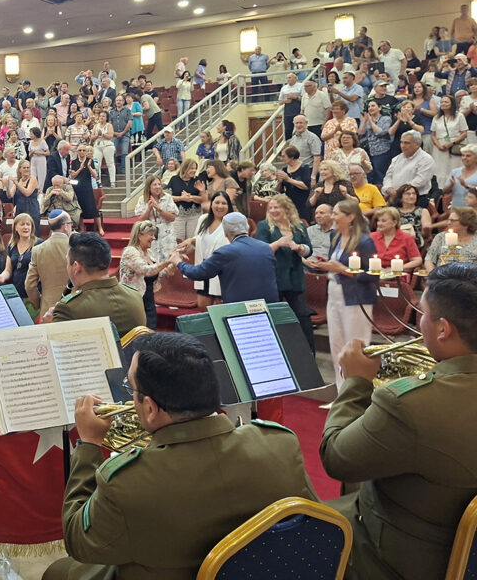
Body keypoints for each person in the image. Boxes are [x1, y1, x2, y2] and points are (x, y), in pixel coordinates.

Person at [45, 332, 316, 580]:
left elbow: (78, 541)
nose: (131, 398)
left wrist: (90, 444)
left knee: (58, 572)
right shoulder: (281, 443)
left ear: (150, 408)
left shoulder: (126, 482)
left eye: (132, 389)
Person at [321, 262, 477, 580]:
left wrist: (356, 382)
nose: (420, 323)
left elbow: (336, 457)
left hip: (399, 558)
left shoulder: (409, 405)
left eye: (423, 314)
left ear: (444, 329)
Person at [313, 199, 378, 390]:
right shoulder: (335, 236)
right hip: (334, 293)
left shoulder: (364, 242)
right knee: (336, 344)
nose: (332, 217)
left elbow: (373, 275)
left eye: (336, 213)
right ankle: (341, 390)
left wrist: (343, 269)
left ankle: (358, 390)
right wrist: (327, 265)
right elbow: (336, 265)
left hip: (356, 297)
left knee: (355, 345)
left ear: (350, 217)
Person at [170, 213, 279, 304]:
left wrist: (178, 262)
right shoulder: (266, 248)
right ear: (247, 228)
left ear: (225, 233)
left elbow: (197, 273)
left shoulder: (224, 253)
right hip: (269, 309)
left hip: (239, 310)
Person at [50, 232, 146, 334]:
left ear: (76, 267)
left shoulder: (68, 308)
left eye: (67, 262)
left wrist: (48, 326)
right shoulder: (135, 295)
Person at [255, 195, 315, 352]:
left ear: (286, 208)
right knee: (272, 318)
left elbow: (309, 249)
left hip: (295, 280)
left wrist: (300, 248)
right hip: (273, 281)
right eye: (270, 208)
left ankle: (308, 354)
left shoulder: (299, 226)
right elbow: (260, 251)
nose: (273, 211)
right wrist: (278, 243)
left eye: (277, 207)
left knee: (303, 317)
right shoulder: (264, 226)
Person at [178, 191, 233, 308]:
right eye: (217, 202)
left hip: (221, 272)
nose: (220, 206)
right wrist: (190, 240)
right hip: (203, 269)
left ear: (229, 206)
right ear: (211, 204)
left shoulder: (232, 223)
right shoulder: (203, 219)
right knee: (202, 307)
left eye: (224, 203)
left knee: (218, 311)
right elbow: (198, 239)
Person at [118, 221, 172, 330]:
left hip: (148, 299)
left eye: (154, 235)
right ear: (139, 236)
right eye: (150, 235)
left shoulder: (149, 253)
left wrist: (173, 265)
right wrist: (168, 262)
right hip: (134, 300)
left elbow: (158, 273)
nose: (154, 238)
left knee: (151, 329)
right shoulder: (130, 252)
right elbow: (146, 270)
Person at [26, 209, 73, 319]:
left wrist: (39, 304)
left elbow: (29, 285)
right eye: (71, 223)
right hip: (74, 306)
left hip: (47, 308)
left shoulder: (38, 250)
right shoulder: (76, 246)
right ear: (65, 226)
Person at [0, 213, 39, 305]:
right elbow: (8, 270)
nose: (25, 227)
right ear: (15, 228)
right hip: (17, 292)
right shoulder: (11, 246)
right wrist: (2, 277)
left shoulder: (39, 244)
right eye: (22, 224)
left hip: (33, 293)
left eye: (28, 224)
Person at [382, 130, 436, 206]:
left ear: (417, 144)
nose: (402, 146)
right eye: (401, 142)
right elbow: (388, 177)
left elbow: (420, 181)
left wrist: (399, 191)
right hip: (395, 198)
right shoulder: (396, 159)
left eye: (406, 143)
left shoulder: (426, 159)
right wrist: (388, 188)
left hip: (416, 200)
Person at [132, 175, 177, 262]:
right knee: (152, 260)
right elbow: (140, 220)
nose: (158, 187)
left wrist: (159, 209)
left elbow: (172, 218)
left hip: (167, 235)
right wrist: (149, 209)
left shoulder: (167, 197)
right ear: (149, 187)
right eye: (154, 184)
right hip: (150, 236)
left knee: (169, 261)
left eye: (159, 184)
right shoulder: (142, 199)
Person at [370, 207, 422, 274]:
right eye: (378, 220)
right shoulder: (372, 236)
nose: (379, 224)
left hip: (398, 275)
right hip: (374, 273)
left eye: (383, 221)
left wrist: (397, 268)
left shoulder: (406, 238)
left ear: (394, 223)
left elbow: (417, 260)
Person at [69, 144, 105, 234]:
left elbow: (95, 175)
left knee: (93, 208)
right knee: (79, 209)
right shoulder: (74, 162)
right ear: (77, 152)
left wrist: (89, 167)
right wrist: (80, 168)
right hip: (77, 188)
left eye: (83, 150)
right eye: (80, 150)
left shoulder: (90, 161)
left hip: (87, 187)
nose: (81, 152)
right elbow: (73, 176)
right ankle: (82, 228)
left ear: (86, 151)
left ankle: (100, 228)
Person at [168, 159, 202, 241]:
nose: (194, 170)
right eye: (192, 168)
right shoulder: (174, 179)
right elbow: (167, 197)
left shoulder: (198, 180)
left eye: (195, 168)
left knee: (192, 240)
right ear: (185, 168)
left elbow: (204, 199)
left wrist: (191, 197)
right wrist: (181, 198)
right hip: (178, 216)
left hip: (194, 216)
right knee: (178, 240)